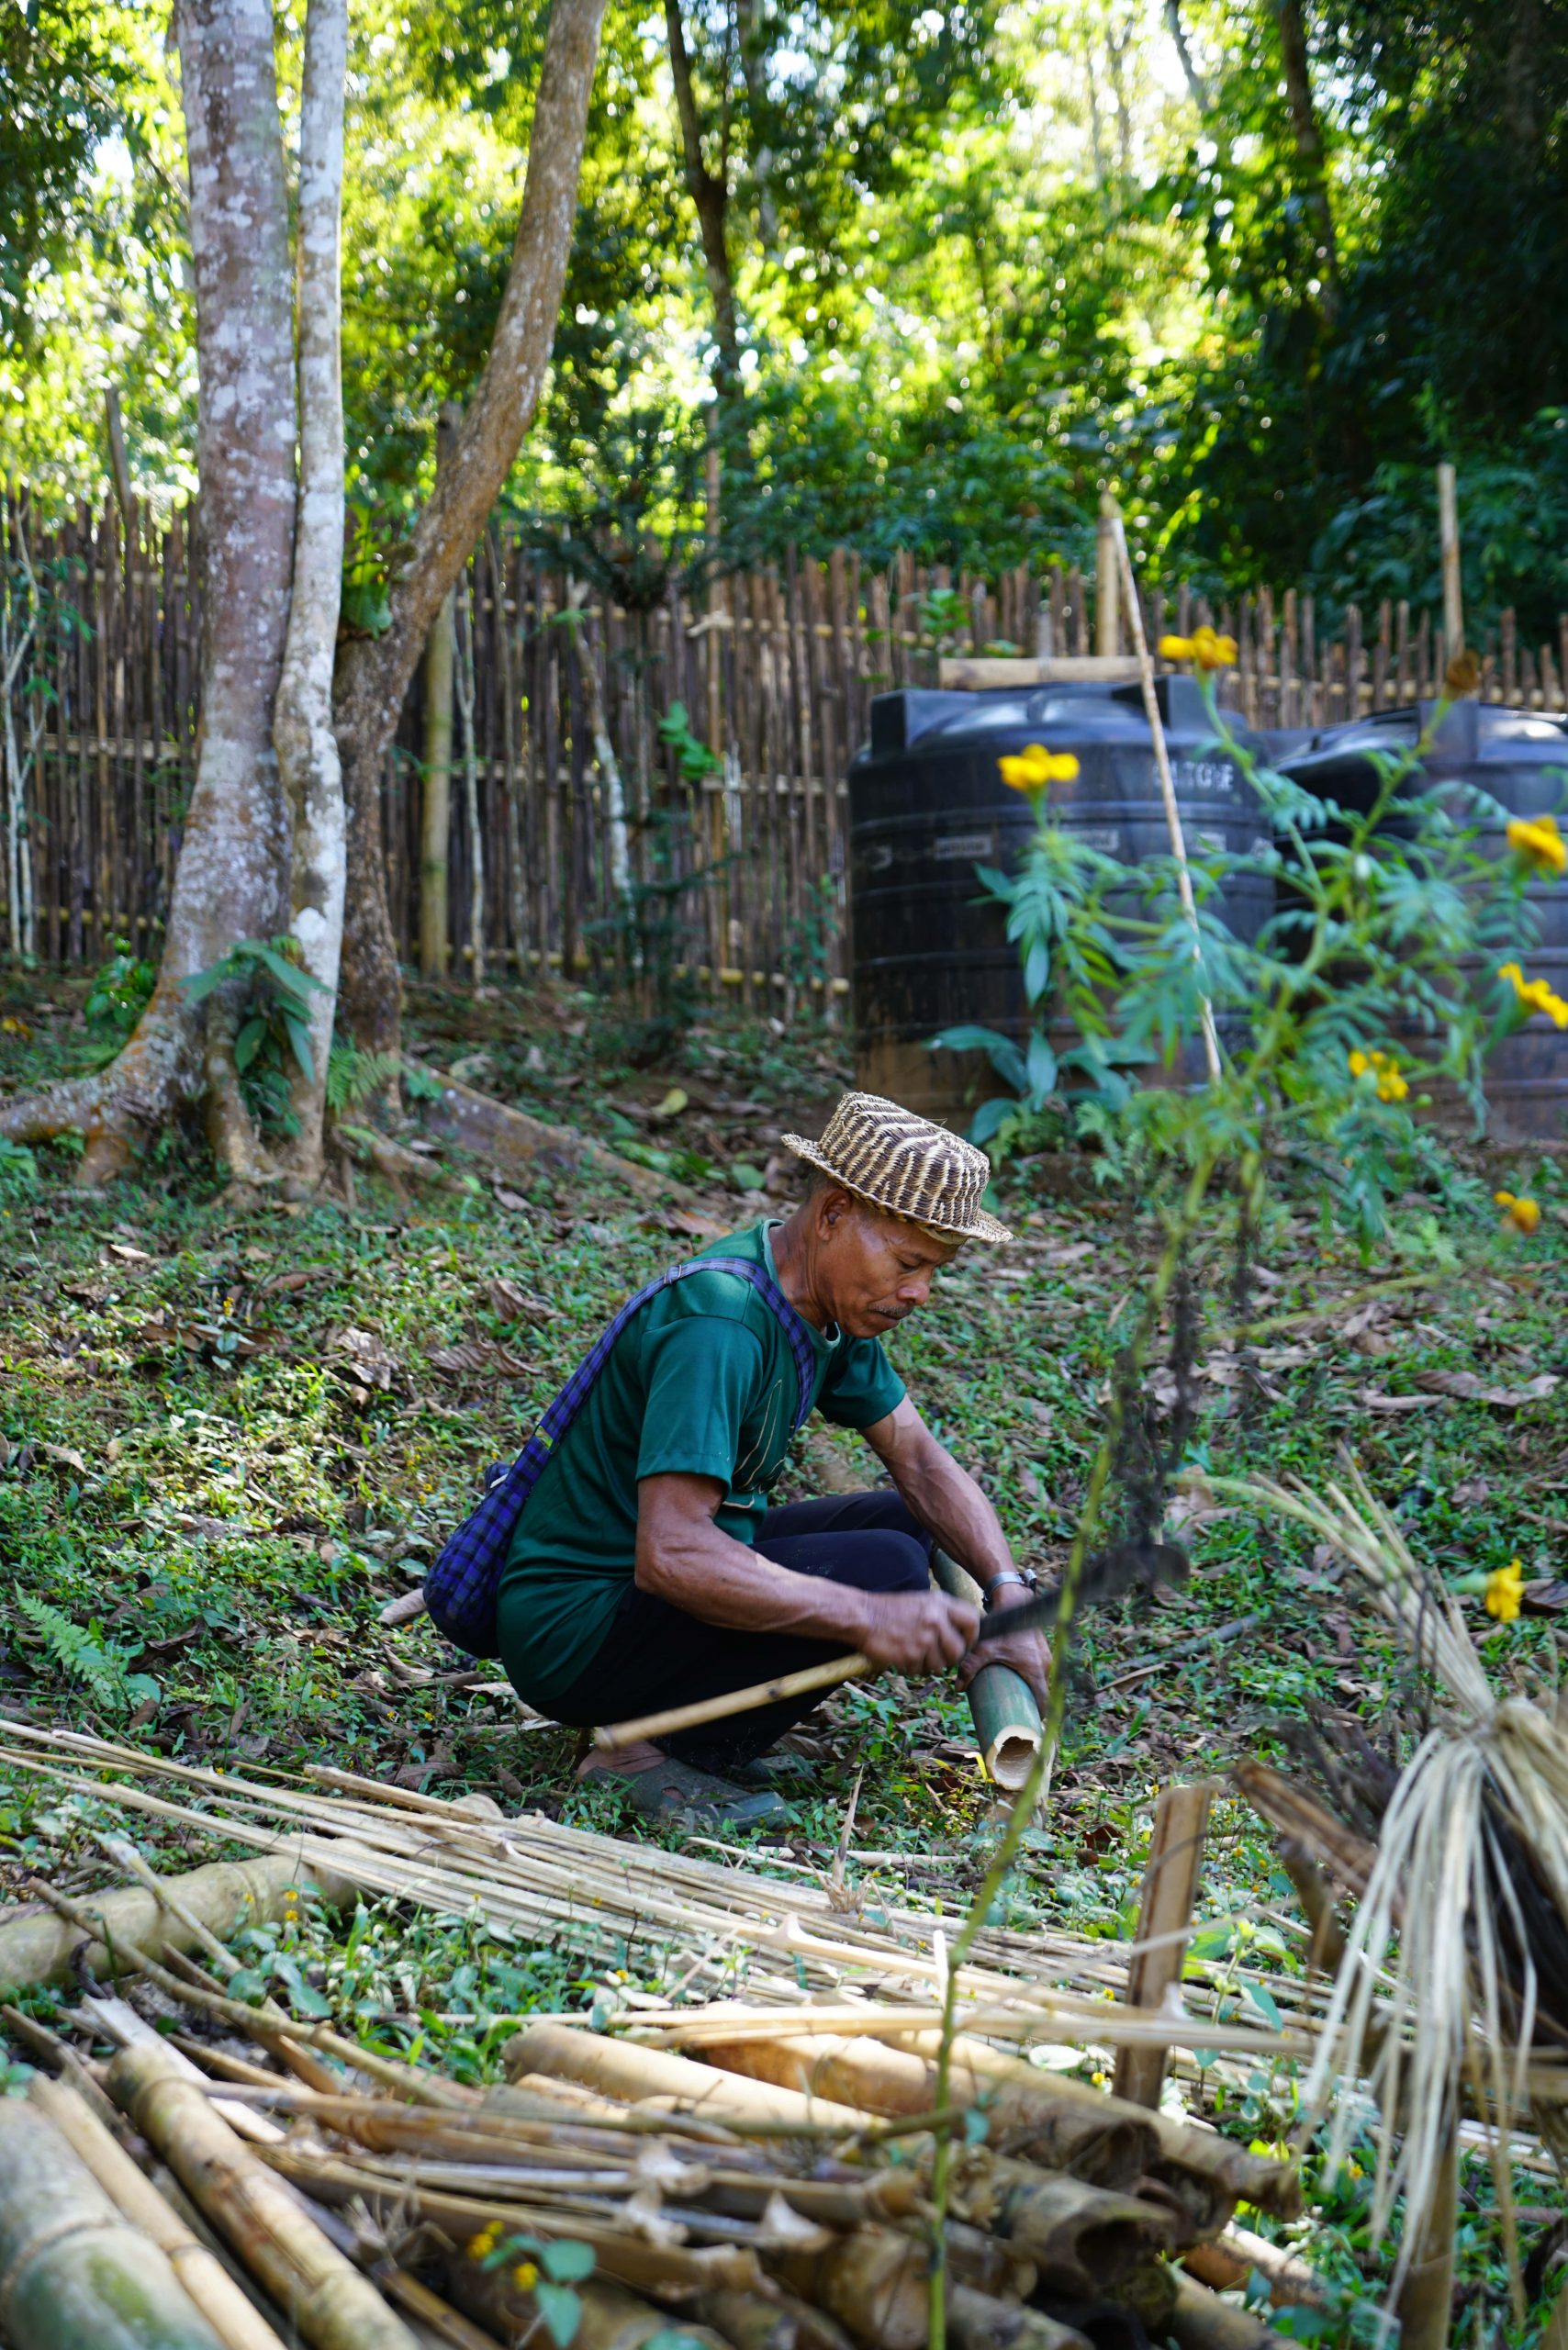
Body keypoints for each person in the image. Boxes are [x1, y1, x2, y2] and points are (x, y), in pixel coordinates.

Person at [497, 1091, 1049, 1827]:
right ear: (832, 1216)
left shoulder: (823, 1309)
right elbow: (671, 1554)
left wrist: (1005, 1589)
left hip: (639, 1596)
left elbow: (917, 1458)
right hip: (575, 1627)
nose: (918, 1292)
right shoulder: (721, 1320)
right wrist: (869, 1614)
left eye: (935, 1271)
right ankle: (635, 1753)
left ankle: (696, 1732)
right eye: (909, 1262)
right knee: (882, 1571)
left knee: (909, 1526)